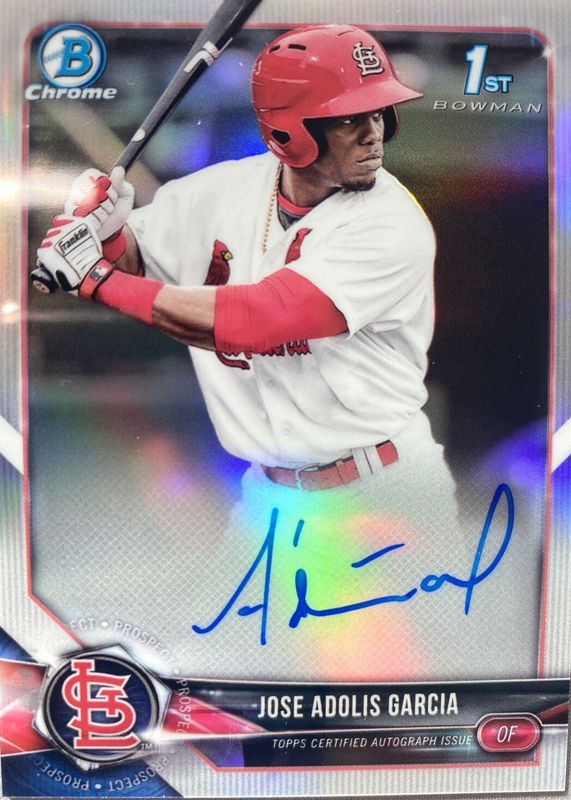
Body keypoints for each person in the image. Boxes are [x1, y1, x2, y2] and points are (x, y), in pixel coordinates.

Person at [36, 25, 470, 679]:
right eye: (349, 118)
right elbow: (136, 263)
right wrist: (103, 233)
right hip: (269, 500)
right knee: (209, 690)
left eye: (380, 112)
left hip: (380, 494)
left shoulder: (391, 223)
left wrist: (95, 278)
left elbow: (254, 321)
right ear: (289, 135)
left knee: (382, 701)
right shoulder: (220, 193)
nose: (374, 132)